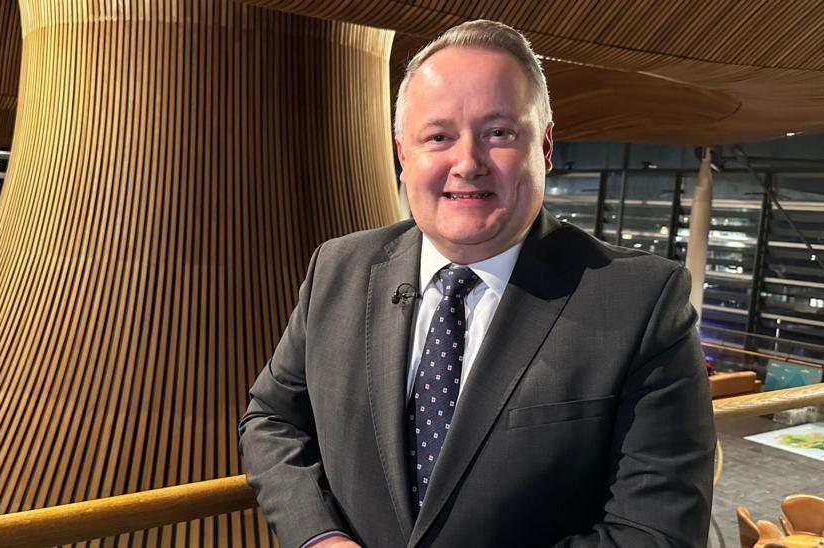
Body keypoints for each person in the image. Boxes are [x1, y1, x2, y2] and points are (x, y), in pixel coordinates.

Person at [239, 19, 715, 548]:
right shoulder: (338, 268)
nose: (467, 163)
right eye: (438, 136)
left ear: (546, 147)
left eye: (499, 134)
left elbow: (656, 533)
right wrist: (317, 536)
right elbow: (272, 419)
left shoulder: (642, 302)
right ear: (403, 155)